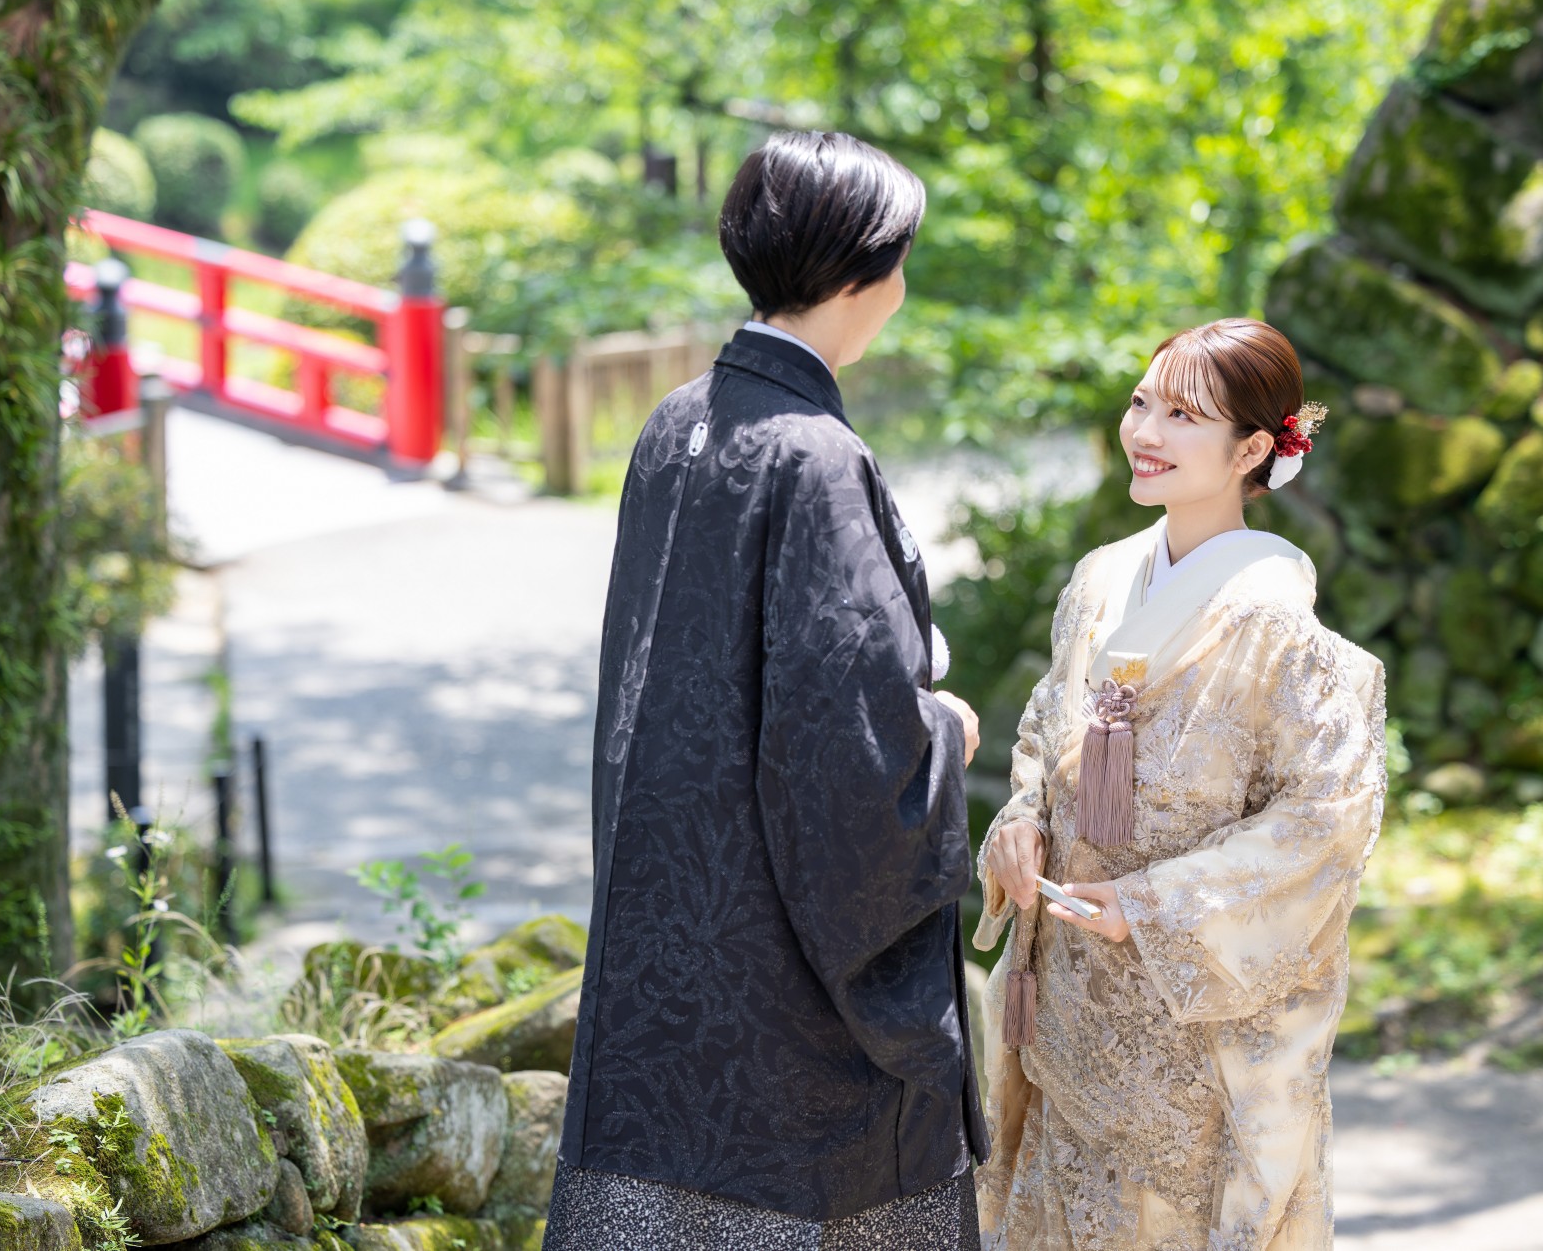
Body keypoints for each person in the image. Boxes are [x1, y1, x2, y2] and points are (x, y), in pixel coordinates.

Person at [544, 131, 990, 1251]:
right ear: (864, 271)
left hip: (670, 936)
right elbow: (853, 749)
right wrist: (944, 729)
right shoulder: (816, 456)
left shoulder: (675, 424)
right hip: (786, 979)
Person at [974, 319, 1387, 1251]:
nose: (1145, 432)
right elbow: (1046, 726)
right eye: (1140, 402)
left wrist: (1155, 905)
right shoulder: (1099, 579)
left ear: (1252, 448)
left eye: (1181, 415)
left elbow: (1329, 813)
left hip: (1185, 1029)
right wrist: (1020, 816)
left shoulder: (1277, 617)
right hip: (1070, 1006)